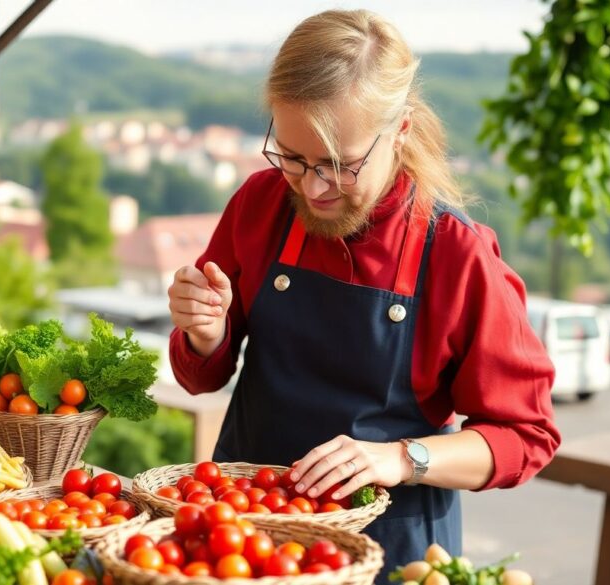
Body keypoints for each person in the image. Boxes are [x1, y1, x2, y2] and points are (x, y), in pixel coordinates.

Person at [166, 8, 561, 582]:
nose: (313, 188)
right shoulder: (261, 203)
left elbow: (527, 435)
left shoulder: (457, 253)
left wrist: (402, 457)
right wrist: (206, 333)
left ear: (399, 131)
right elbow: (201, 375)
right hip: (243, 542)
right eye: (295, 159)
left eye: (341, 165)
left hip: (392, 552)